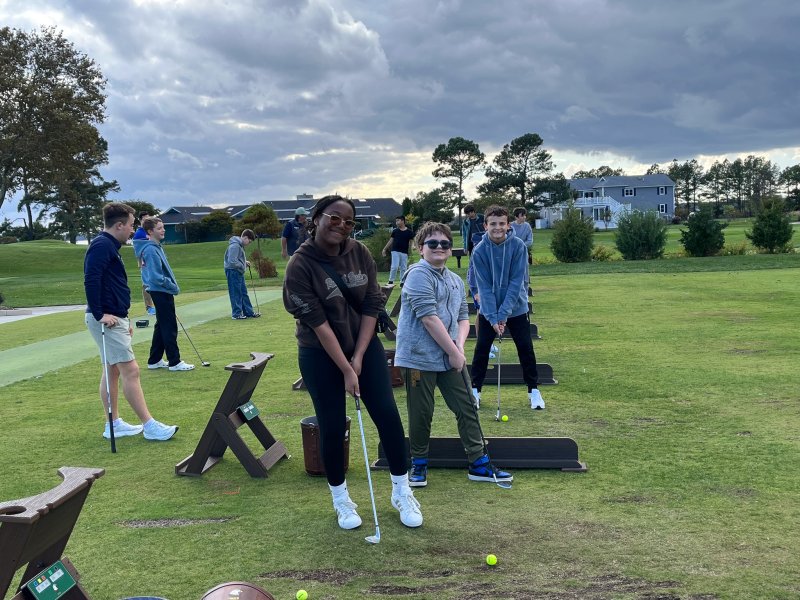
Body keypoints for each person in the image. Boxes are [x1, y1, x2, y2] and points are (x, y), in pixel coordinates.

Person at [283, 194, 423, 531]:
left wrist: (359, 357)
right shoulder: (299, 265)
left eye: (349, 221)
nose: (342, 226)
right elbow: (318, 324)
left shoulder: (359, 253)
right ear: (316, 218)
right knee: (331, 427)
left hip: (364, 346)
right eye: (334, 217)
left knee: (388, 416)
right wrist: (346, 369)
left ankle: (402, 491)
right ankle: (341, 499)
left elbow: (372, 305)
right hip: (319, 353)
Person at [395, 221, 513, 487]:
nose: (439, 248)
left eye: (445, 244)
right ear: (420, 248)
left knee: (466, 406)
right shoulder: (417, 275)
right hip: (418, 357)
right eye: (432, 243)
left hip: (449, 355)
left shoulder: (455, 281)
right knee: (422, 412)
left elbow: (463, 318)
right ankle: (419, 463)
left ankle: (478, 462)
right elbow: (428, 318)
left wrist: (458, 348)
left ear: (450, 250)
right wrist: (454, 351)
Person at [83, 202, 178, 442]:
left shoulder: (108, 246)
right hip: (107, 319)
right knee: (131, 370)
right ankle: (149, 425)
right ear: (119, 225)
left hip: (115, 317)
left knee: (112, 369)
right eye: (131, 225)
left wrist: (124, 318)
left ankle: (113, 424)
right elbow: (91, 280)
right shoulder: (102, 246)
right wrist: (99, 314)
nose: (132, 230)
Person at [470, 205, 545, 410]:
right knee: (482, 349)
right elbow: (484, 288)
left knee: (525, 349)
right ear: (485, 226)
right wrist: (494, 318)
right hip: (489, 310)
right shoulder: (479, 251)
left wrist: (503, 315)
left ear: (508, 225)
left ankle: (534, 391)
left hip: (517, 308)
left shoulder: (518, 246)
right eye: (493, 224)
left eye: (502, 223)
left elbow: (516, 284)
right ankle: (475, 391)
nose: (497, 228)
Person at [132, 217, 194, 371]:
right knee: (169, 326)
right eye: (159, 228)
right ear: (150, 231)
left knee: (161, 326)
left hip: (159, 290)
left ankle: (154, 360)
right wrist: (171, 285)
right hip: (160, 290)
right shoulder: (151, 249)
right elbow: (155, 276)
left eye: (163, 227)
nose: (163, 230)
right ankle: (175, 362)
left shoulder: (154, 247)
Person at [224, 229, 261, 320]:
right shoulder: (235, 246)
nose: (249, 243)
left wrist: (244, 262)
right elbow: (232, 261)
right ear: (245, 237)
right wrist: (243, 264)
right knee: (235, 293)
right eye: (249, 241)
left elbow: (236, 259)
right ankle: (236, 314)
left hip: (237, 271)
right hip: (233, 271)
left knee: (243, 292)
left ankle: (248, 312)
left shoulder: (239, 246)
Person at [133, 211, 156, 316]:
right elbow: (138, 250)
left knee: (155, 282)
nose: (147, 221)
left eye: (148, 218)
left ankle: (157, 305)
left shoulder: (151, 231)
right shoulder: (139, 233)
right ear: (141, 220)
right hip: (144, 262)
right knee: (146, 284)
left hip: (153, 261)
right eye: (145, 219)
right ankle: (149, 307)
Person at [381, 215, 415, 284]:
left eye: (398, 221)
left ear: (403, 221)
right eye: (396, 221)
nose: (396, 222)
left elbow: (412, 242)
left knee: (403, 268)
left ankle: (402, 282)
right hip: (395, 251)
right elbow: (391, 241)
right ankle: (391, 281)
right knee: (394, 266)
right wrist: (384, 249)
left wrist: (412, 247)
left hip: (404, 252)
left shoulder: (409, 232)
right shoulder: (395, 231)